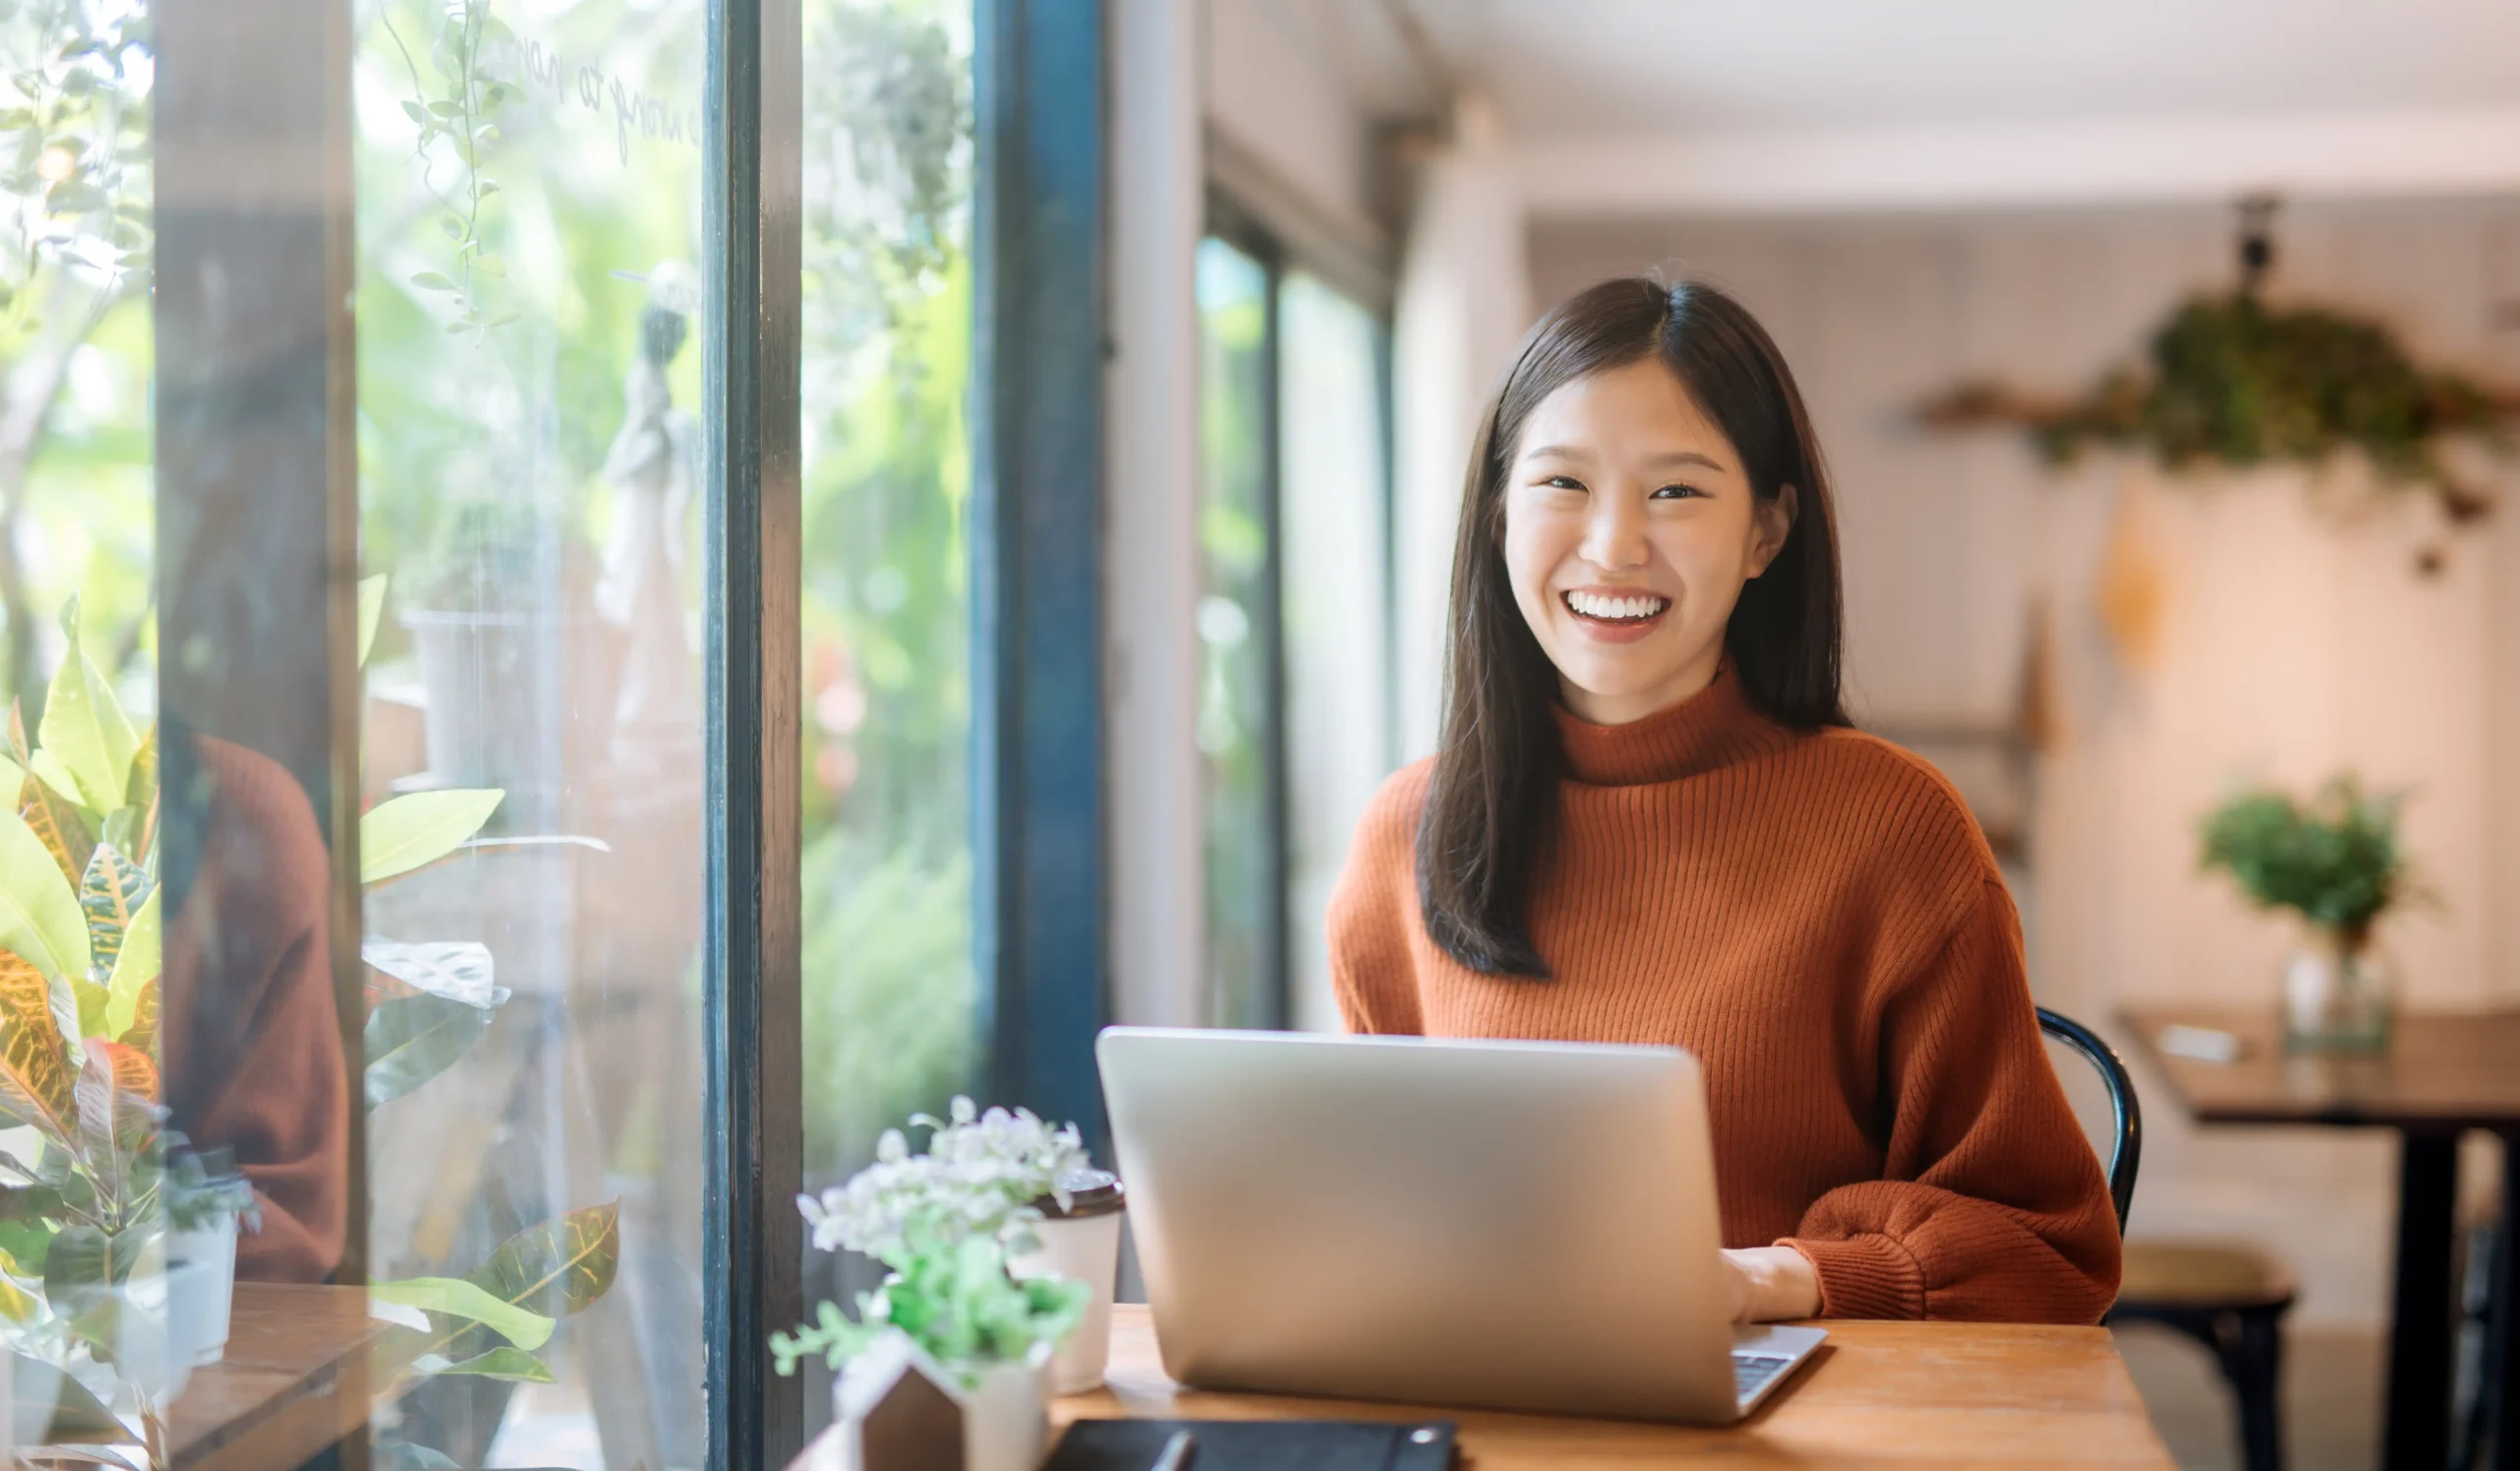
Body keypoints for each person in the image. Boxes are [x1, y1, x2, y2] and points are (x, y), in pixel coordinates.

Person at [1328, 277, 2120, 1325]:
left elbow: (2048, 1244)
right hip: (1481, 1400)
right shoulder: (1407, 834)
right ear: (1496, 515)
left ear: (1766, 533)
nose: (1613, 546)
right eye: (1561, 483)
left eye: (1676, 492)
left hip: (1789, 1420)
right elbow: (1363, 1202)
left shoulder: (1890, 830)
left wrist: (1777, 1279)